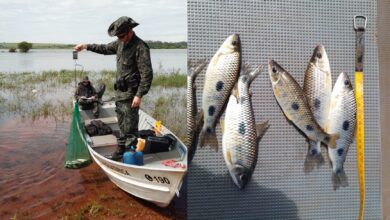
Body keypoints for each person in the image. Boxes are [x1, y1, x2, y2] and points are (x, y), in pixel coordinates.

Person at [74, 16, 153, 160]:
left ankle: (131, 153)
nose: (120, 38)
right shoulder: (119, 43)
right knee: (122, 122)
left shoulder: (140, 47)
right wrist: (86, 46)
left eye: (122, 35)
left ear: (130, 31)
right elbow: (103, 48)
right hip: (120, 94)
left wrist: (139, 95)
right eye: (118, 36)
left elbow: (147, 74)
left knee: (130, 127)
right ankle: (121, 147)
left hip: (131, 95)